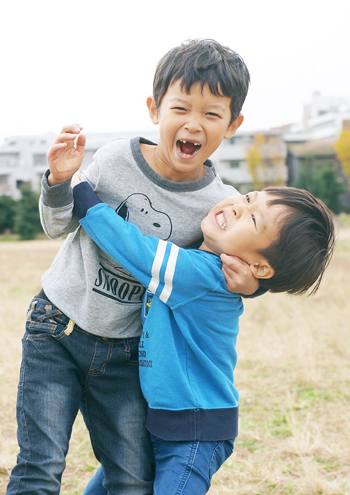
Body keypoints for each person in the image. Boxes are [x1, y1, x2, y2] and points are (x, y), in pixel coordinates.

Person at [6, 39, 259, 495]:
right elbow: (57, 225)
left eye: (211, 114)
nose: (193, 124)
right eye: (181, 107)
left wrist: (249, 287)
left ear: (233, 124)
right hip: (57, 329)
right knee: (39, 469)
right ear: (154, 109)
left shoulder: (219, 206)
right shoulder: (116, 160)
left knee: (132, 481)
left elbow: (226, 274)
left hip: (126, 354)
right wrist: (60, 182)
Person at [71, 178, 335, 495]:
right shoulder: (214, 273)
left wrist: (83, 196)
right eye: (249, 197)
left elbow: (134, 249)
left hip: (194, 432)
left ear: (259, 267)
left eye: (253, 218)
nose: (238, 206)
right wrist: (256, 285)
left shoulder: (199, 273)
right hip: (161, 421)